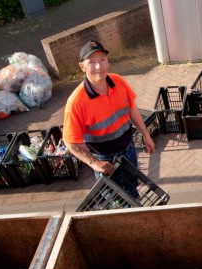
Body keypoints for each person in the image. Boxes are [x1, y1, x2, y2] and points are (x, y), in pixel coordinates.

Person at [62, 40, 155, 178]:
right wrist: (94, 163)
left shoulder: (118, 81)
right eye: (92, 62)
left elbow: (132, 108)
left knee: (132, 187)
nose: (99, 66)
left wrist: (146, 135)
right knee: (114, 197)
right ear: (82, 66)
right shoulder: (76, 102)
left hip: (129, 148)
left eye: (102, 60)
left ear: (108, 61)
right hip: (105, 159)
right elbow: (70, 142)